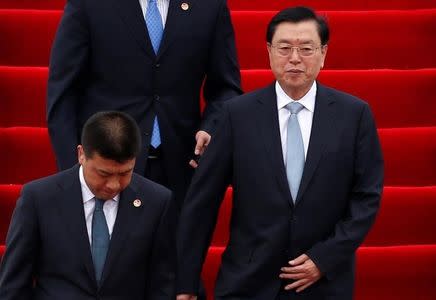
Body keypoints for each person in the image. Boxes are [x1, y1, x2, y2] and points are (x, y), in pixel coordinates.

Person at [176, 6, 384, 300]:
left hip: (323, 283)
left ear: (323, 53)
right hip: (248, 282)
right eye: (285, 48)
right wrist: (186, 283)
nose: (295, 58)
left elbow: (367, 197)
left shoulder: (354, 115)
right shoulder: (237, 116)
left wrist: (324, 258)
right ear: (269, 52)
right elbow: (202, 203)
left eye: (306, 48)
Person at [47, 0, 242, 210]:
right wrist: (73, 173)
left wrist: (211, 128)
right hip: (108, 165)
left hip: (183, 167)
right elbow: (63, 93)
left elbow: (226, 87)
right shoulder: (89, 4)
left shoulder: (210, 6)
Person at [0, 111, 176, 299]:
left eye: (125, 173)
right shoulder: (39, 198)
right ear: (81, 154)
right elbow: (14, 283)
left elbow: (162, 283)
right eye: (104, 174)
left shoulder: (156, 201)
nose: (114, 185)